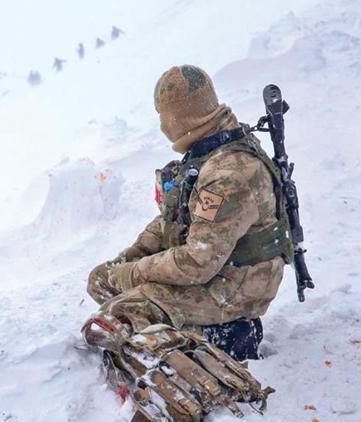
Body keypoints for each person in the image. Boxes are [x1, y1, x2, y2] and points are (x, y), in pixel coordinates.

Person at [82, 65, 287, 420]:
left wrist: (132, 274)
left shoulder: (228, 174)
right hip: (221, 268)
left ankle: (210, 362)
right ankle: (187, 334)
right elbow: (174, 220)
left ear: (177, 118)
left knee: (119, 315)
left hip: (239, 286)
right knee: (104, 283)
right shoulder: (208, 149)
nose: (162, 126)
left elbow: (198, 261)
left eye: (164, 116)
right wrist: (130, 259)